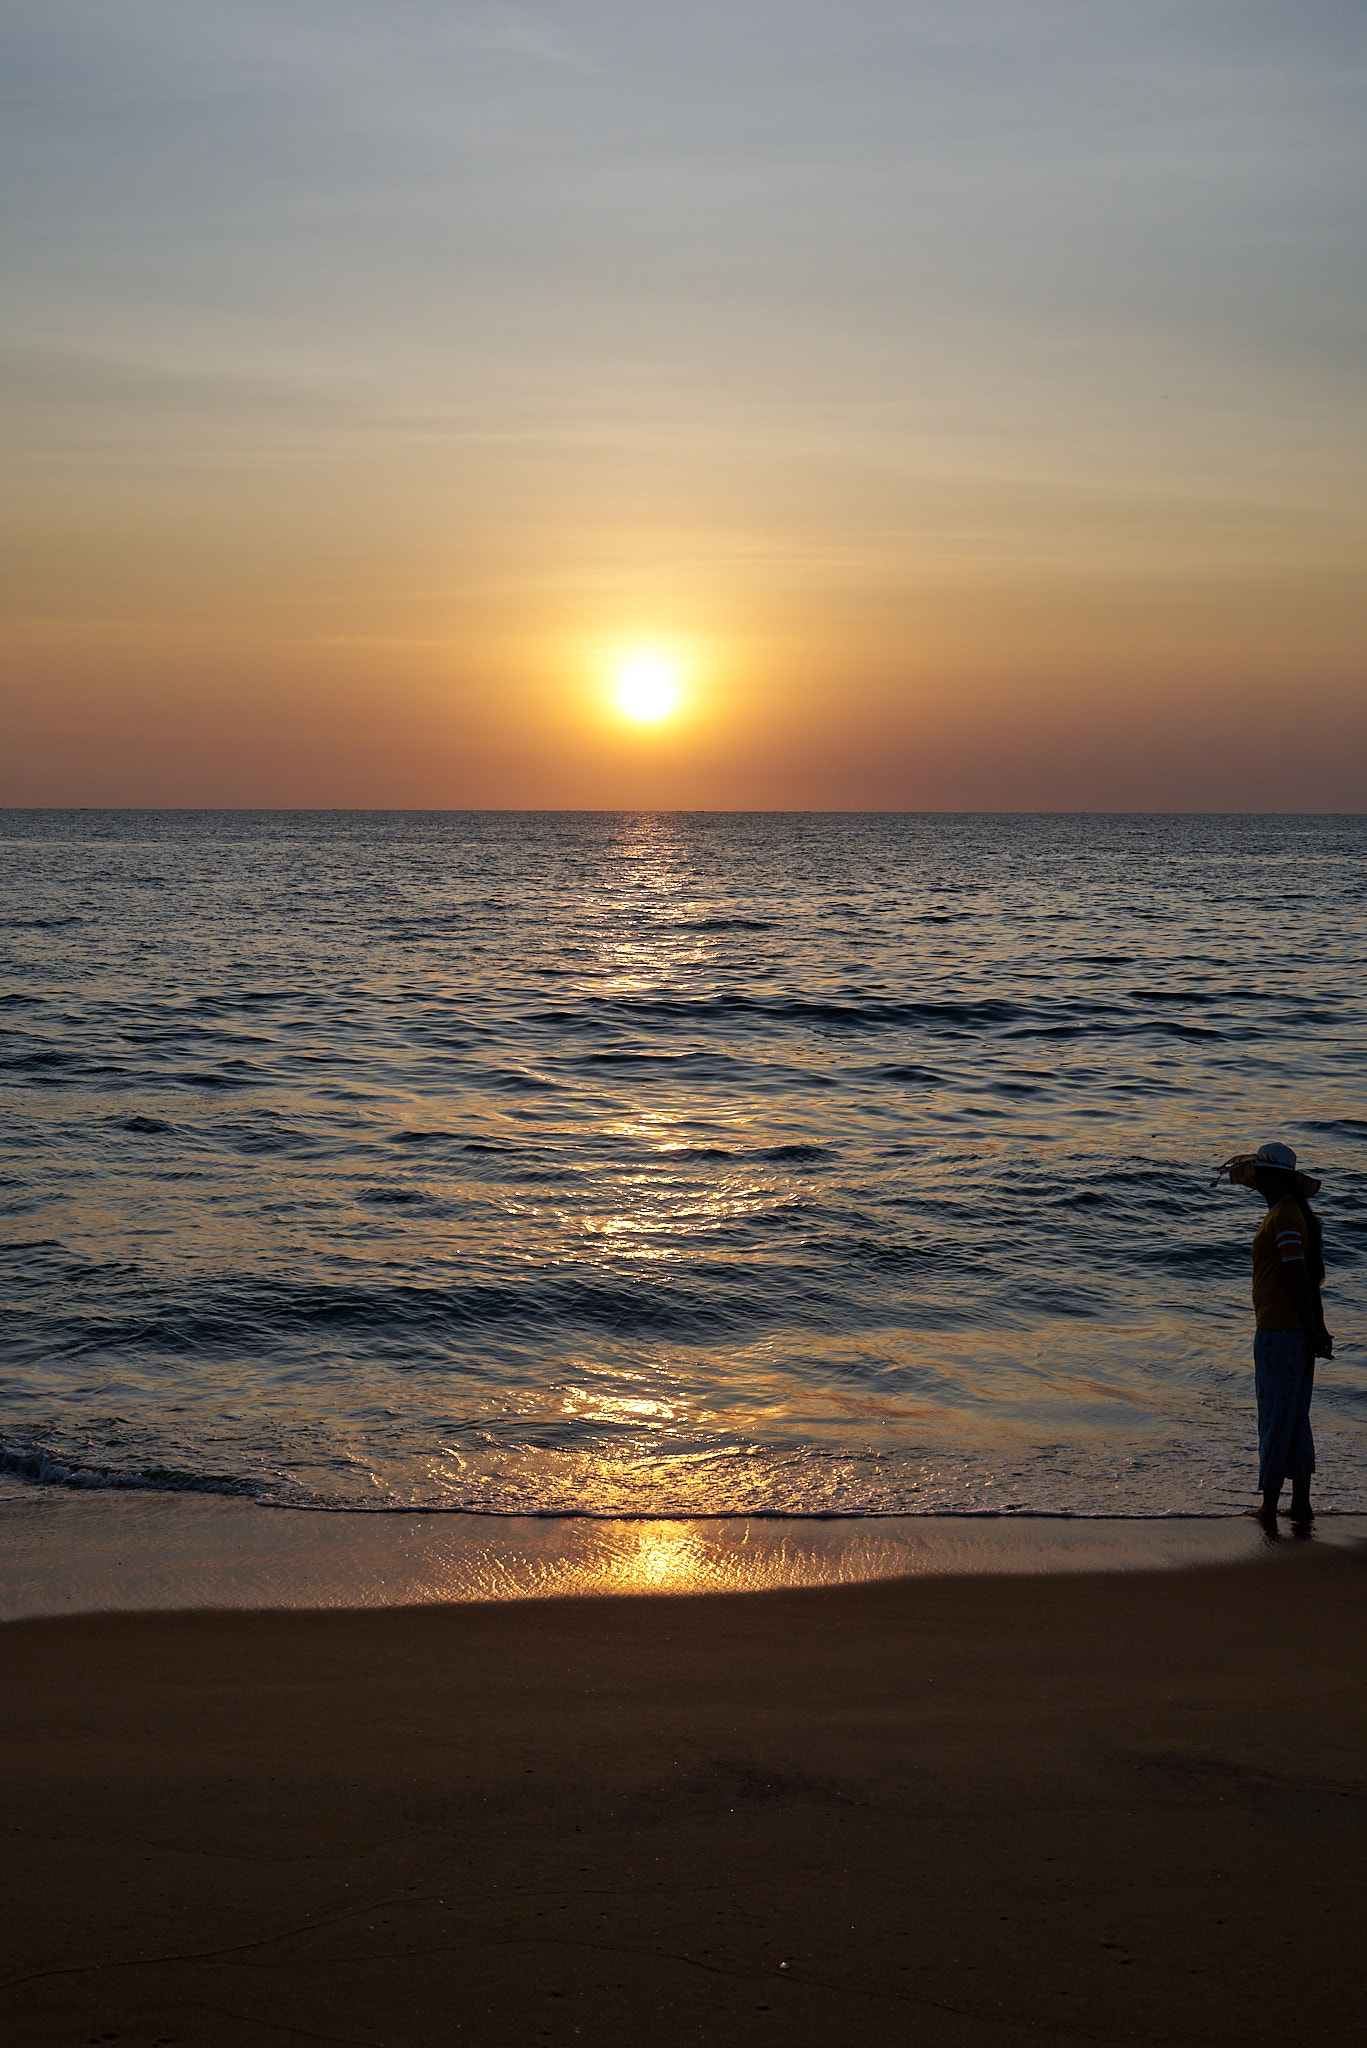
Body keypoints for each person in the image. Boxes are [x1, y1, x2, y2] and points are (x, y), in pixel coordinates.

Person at [1211, 1141, 1332, 1522]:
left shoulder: (1284, 1217)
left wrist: (1314, 1329)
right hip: (1292, 1330)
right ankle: (1299, 1503)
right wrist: (1317, 1329)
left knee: (1277, 1416)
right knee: (1293, 1415)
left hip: (1280, 1332)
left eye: (1260, 1172)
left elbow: (1299, 1277)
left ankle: (1270, 1505)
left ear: (1272, 1177)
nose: (1255, 1178)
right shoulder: (1290, 1213)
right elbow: (1309, 1280)